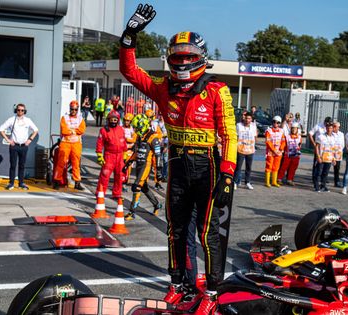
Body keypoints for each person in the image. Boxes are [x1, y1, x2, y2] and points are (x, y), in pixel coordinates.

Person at [120, 5, 237, 313]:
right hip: (176, 164)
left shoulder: (216, 89)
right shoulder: (163, 88)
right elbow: (130, 71)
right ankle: (178, 283)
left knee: (208, 232)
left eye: (188, 56)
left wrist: (228, 174)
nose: (183, 61)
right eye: (178, 55)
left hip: (209, 167)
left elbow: (229, 136)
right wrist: (129, 36)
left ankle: (212, 292)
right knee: (175, 228)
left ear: (200, 56)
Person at [123, 114, 163, 220]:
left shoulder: (153, 137)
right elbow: (136, 152)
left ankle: (132, 212)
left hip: (146, 164)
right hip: (139, 165)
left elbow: (158, 155)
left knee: (136, 186)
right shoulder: (140, 137)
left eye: (137, 128)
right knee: (144, 188)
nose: (136, 130)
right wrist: (127, 163)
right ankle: (157, 204)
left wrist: (158, 171)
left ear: (143, 126)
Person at [0, 103, 38, 190]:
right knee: (13, 165)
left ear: (25, 111)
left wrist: (30, 140)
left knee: (22, 165)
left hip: (24, 146)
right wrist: (8, 140)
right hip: (14, 146)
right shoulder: (11, 119)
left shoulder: (28, 120)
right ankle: (11, 183)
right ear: (16, 110)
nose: (20, 112)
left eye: (22, 110)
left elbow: (35, 130)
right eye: (18, 110)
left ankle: (21, 183)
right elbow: (1, 129)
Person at [53, 101, 86, 191]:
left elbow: (82, 130)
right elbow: (64, 131)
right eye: (72, 109)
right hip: (65, 143)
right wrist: (74, 130)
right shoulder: (64, 118)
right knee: (61, 162)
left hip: (76, 143)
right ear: (70, 108)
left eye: (75, 109)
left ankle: (77, 182)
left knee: (76, 164)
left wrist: (71, 130)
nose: (73, 111)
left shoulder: (80, 119)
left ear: (77, 109)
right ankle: (56, 181)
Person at [95, 110, 127, 198]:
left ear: (118, 120)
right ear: (108, 120)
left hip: (120, 156)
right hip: (109, 155)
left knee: (119, 176)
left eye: (115, 119)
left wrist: (125, 153)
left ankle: (117, 194)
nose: (113, 121)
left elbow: (124, 141)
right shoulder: (104, 130)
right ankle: (100, 193)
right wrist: (99, 154)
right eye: (111, 119)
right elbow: (99, 143)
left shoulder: (121, 129)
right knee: (105, 175)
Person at [234, 112, 257, 190]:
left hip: (250, 150)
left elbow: (255, 137)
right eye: (247, 118)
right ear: (244, 118)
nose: (248, 120)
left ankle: (247, 182)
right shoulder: (239, 125)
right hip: (240, 149)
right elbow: (236, 136)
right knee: (238, 167)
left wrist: (254, 146)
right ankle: (235, 182)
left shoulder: (253, 126)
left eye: (249, 118)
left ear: (251, 119)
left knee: (248, 167)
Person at [308, 116, 332, 184]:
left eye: (329, 124)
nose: (328, 125)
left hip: (327, 149)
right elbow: (310, 133)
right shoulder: (318, 126)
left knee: (326, 164)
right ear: (324, 122)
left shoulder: (330, 127)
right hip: (319, 148)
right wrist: (314, 144)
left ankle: (323, 178)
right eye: (327, 124)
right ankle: (314, 178)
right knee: (317, 163)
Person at [314, 122, 336, 192]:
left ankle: (323, 186)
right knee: (318, 172)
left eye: (331, 128)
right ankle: (316, 187)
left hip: (329, 158)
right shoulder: (321, 136)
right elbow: (316, 147)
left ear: (333, 129)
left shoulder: (334, 137)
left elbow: (333, 149)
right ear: (326, 128)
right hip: (321, 158)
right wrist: (318, 156)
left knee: (325, 173)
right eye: (328, 128)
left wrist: (334, 158)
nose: (329, 129)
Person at [265, 115, 285, 188]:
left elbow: (283, 141)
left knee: (276, 167)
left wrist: (281, 149)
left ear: (280, 123)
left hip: (278, 152)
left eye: (278, 123)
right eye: (274, 122)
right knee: (269, 166)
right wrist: (274, 150)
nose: (276, 124)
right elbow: (268, 141)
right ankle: (267, 182)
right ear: (272, 122)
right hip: (270, 152)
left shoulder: (281, 131)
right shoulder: (268, 131)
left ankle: (274, 181)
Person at [122, 112, 137, 188]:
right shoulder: (120, 128)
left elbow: (134, 140)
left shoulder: (133, 130)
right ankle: (120, 181)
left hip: (129, 150)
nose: (126, 122)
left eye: (128, 121)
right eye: (125, 120)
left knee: (128, 168)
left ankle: (125, 182)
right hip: (122, 150)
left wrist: (126, 139)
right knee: (121, 166)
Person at [333, 121, 345, 187]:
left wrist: (338, 150)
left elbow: (342, 144)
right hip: (330, 153)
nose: (334, 128)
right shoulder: (330, 133)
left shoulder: (341, 134)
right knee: (326, 167)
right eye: (333, 126)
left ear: (338, 127)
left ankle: (336, 182)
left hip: (338, 153)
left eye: (335, 126)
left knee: (337, 168)